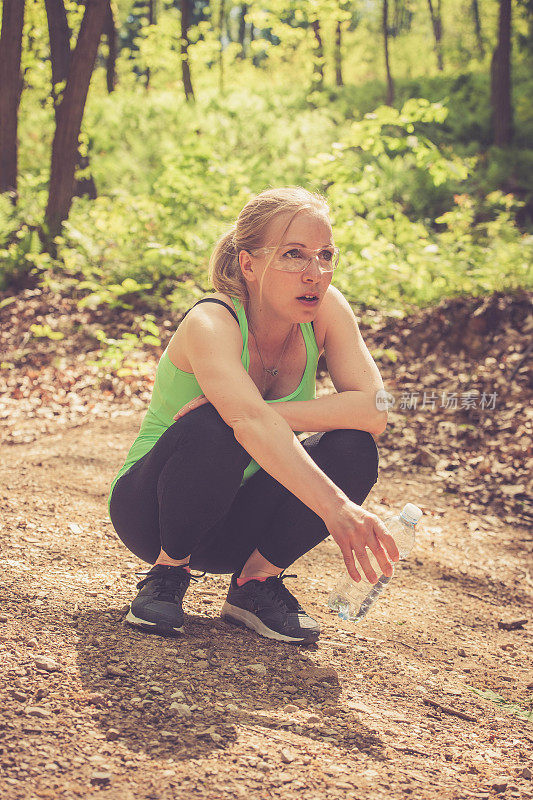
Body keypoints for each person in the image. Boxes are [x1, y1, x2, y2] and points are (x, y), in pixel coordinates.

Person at [108, 186, 399, 645]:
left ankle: (255, 584)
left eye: (325, 255)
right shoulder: (211, 321)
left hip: (239, 524)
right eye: (294, 255)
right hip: (153, 512)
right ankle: (167, 574)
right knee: (217, 423)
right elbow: (245, 424)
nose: (315, 273)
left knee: (354, 445)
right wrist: (337, 508)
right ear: (249, 263)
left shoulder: (326, 310)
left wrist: (268, 409)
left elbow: (374, 409)